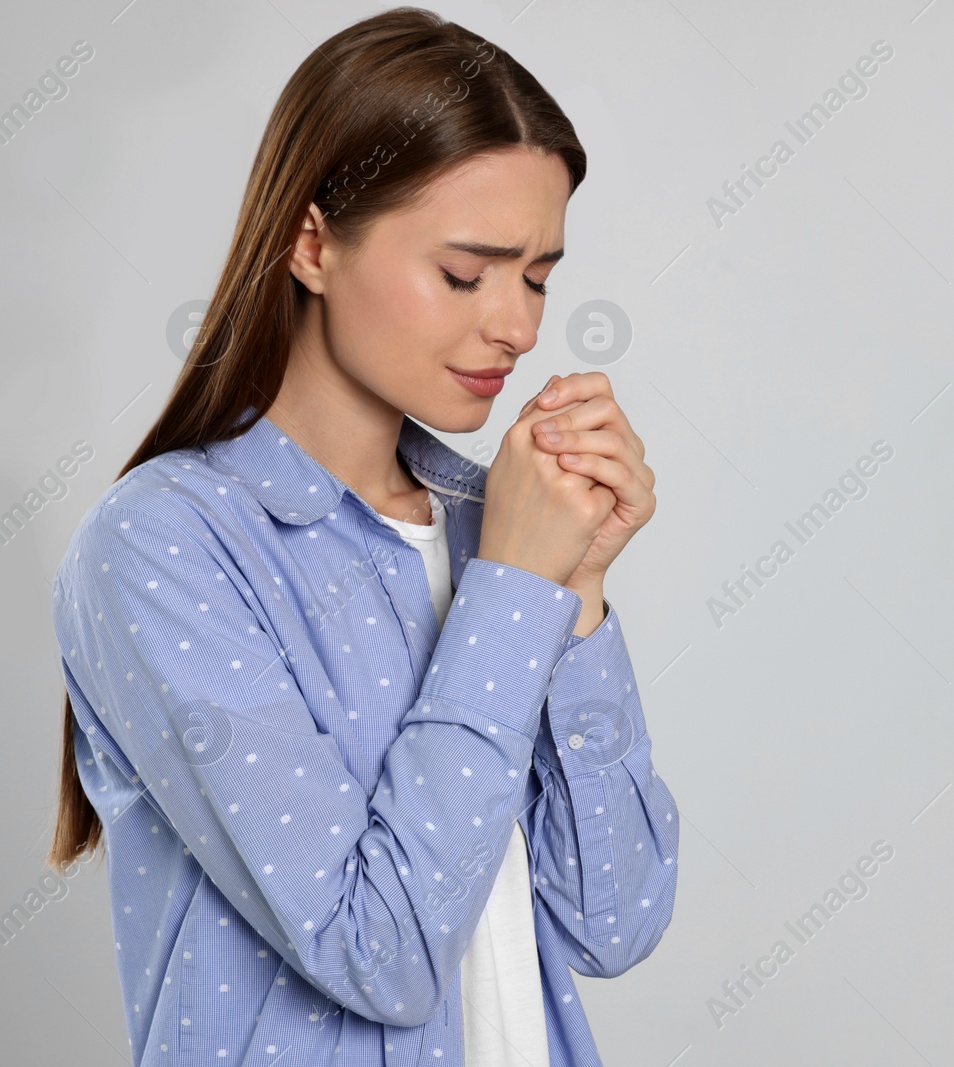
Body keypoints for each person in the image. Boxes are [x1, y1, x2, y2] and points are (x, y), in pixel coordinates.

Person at [44, 8, 677, 1066]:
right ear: (312, 243)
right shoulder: (163, 547)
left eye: (538, 276)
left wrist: (580, 595)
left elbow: (610, 922)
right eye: (467, 273)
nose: (517, 327)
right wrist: (517, 582)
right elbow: (375, 949)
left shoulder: (495, 521)